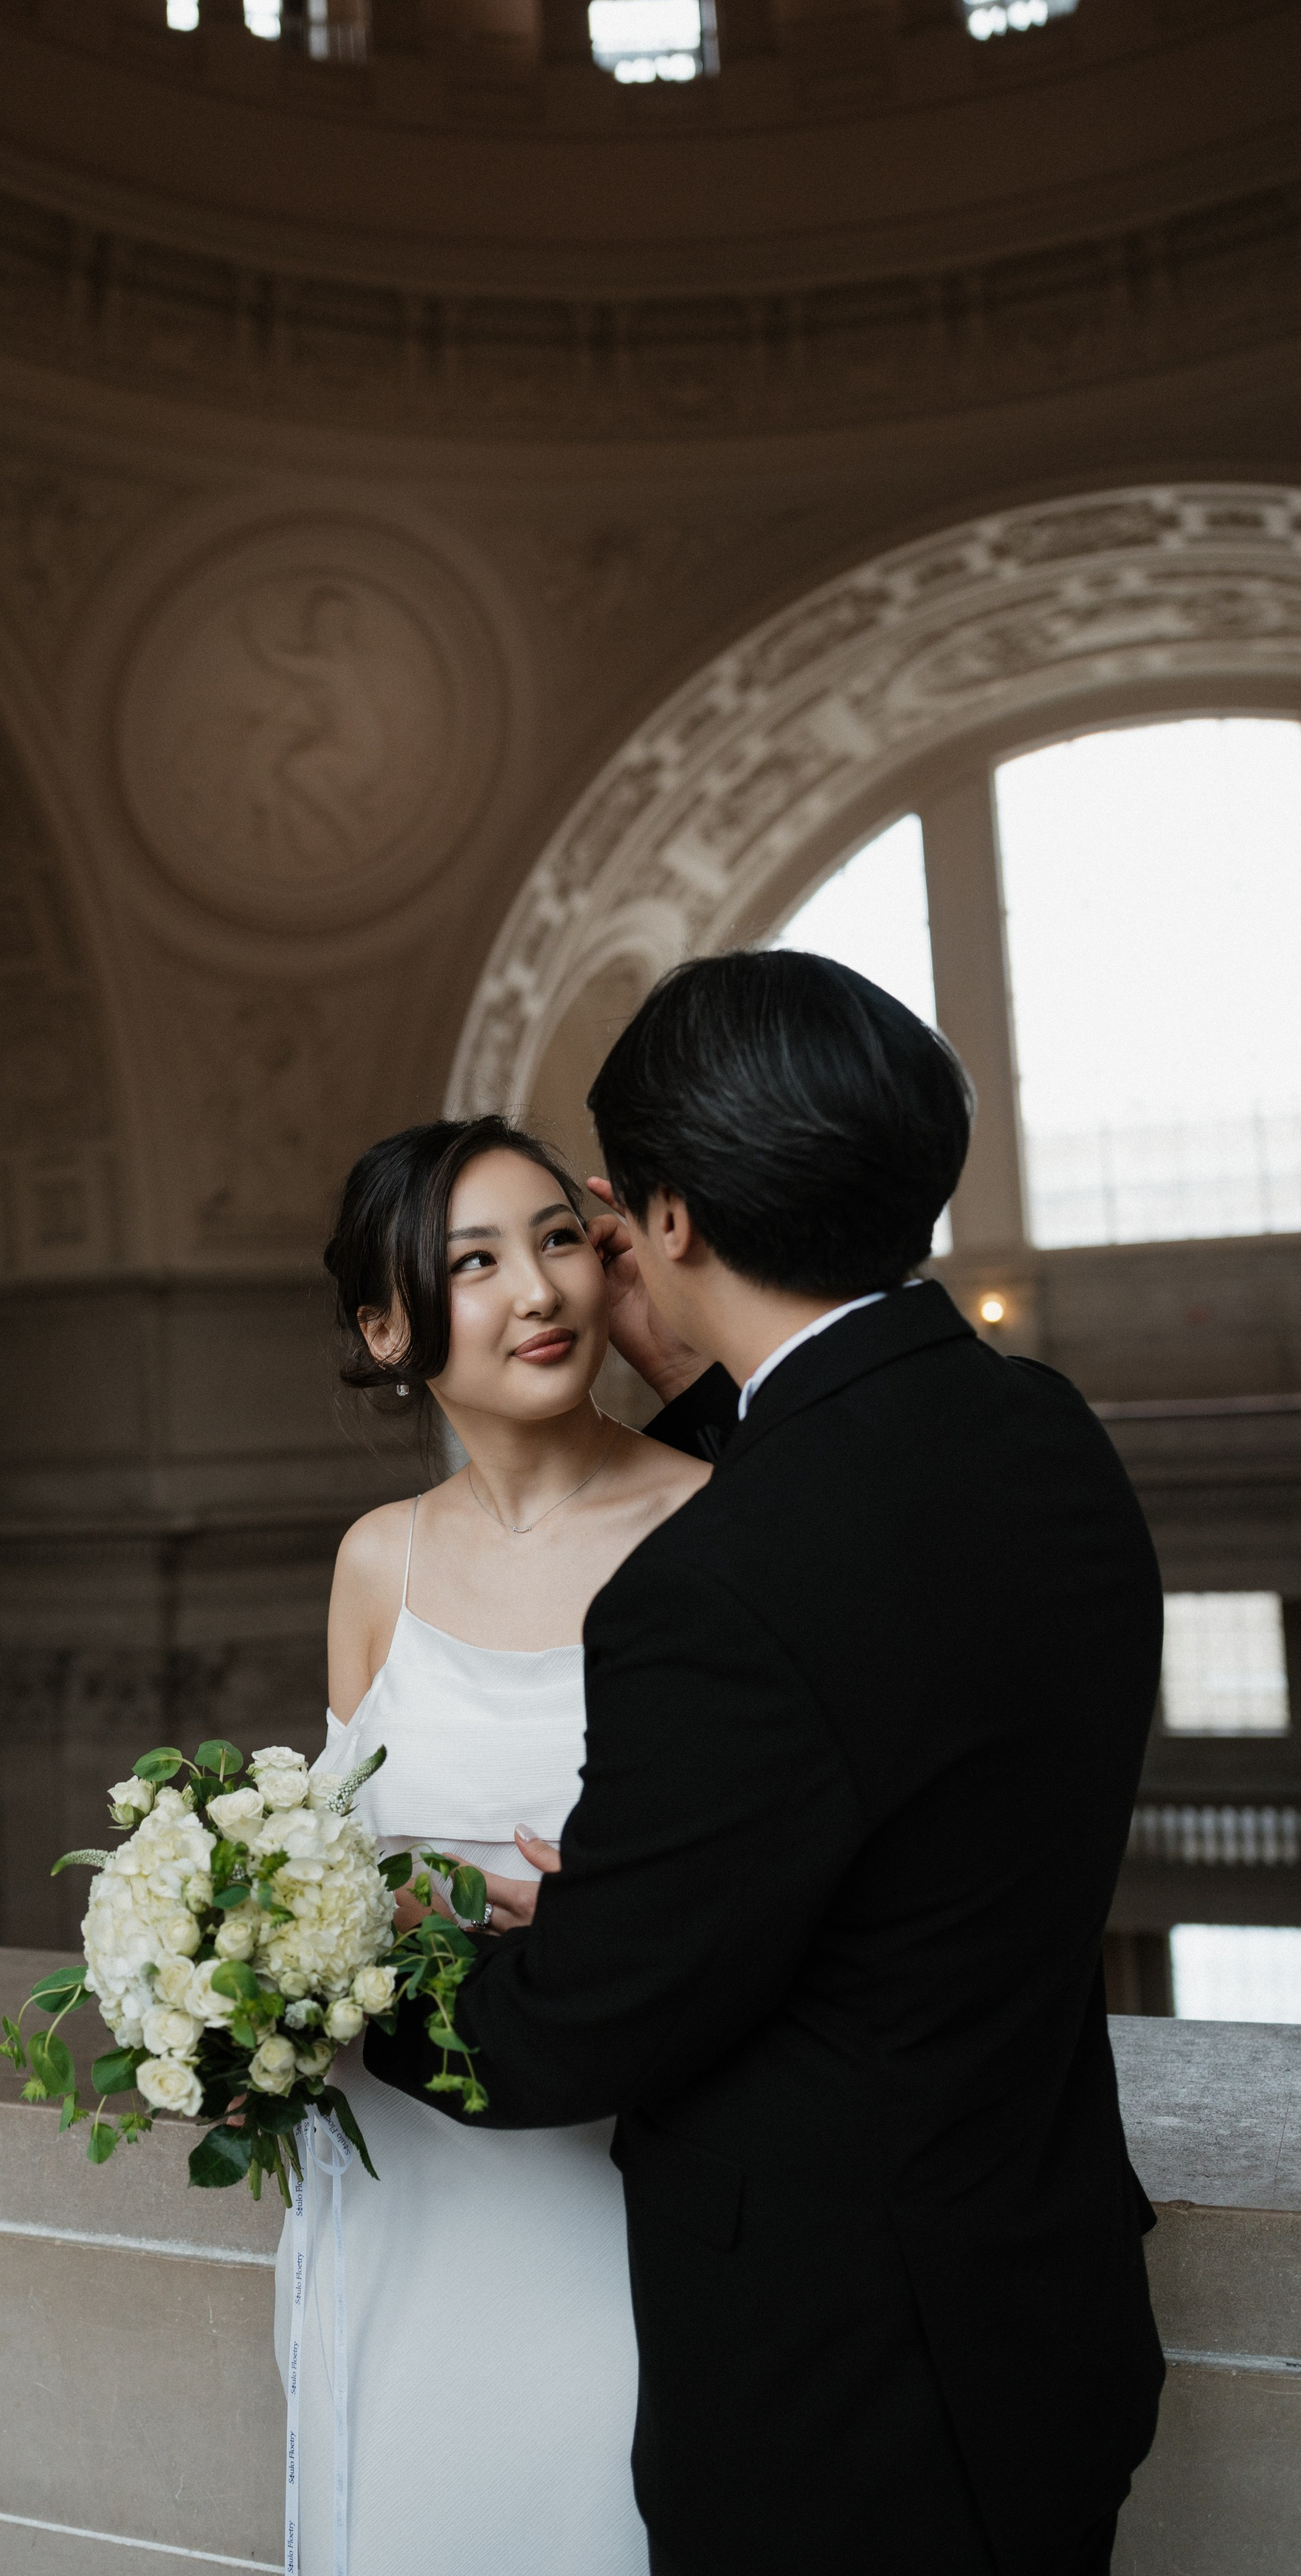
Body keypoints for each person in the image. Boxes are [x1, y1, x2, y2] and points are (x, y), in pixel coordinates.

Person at [366, 951, 1165, 2576]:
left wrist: (316, 1983)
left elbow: (575, 2028)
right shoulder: (1045, 1434)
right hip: (1041, 2317)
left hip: (841, 2397)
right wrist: (704, 1381)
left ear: (660, 1219)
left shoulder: (714, 1589)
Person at [278, 1114, 712, 2575]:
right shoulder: (377, 1559)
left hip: (617, 2183)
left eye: (557, 1241)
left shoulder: (714, 1530)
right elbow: (325, 1866)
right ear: (387, 1328)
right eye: (473, 1263)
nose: (537, 1291)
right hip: (398, 2184)